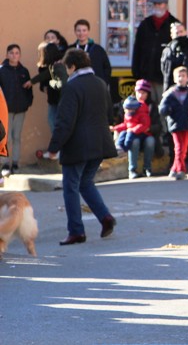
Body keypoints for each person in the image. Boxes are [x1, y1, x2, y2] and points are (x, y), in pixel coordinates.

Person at [43, 49, 117, 246]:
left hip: (78, 146)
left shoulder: (72, 87)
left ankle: (76, 231)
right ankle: (105, 217)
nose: (66, 72)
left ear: (73, 66)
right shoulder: (100, 83)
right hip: (100, 144)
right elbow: (110, 115)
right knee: (85, 183)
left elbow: (64, 122)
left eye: (67, 68)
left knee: (70, 188)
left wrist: (53, 148)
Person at [132, 0, 180, 107]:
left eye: (160, 4)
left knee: (163, 106)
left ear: (166, 5)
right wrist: (136, 71)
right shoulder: (145, 24)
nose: (157, 6)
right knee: (145, 108)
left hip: (164, 77)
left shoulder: (174, 24)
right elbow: (137, 49)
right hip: (146, 75)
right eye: (155, 4)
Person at [0, 44, 33, 176]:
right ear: (7, 54)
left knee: (16, 136)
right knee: (5, 138)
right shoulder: (2, 70)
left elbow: (29, 89)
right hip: (5, 110)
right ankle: (5, 164)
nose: (14, 55)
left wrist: (27, 102)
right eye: (11, 53)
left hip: (20, 109)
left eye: (17, 53)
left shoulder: (23, 71)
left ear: (20, 55)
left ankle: (15, 163)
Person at [159, 66, 188, 180]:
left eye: (183, 76)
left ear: (187, 78)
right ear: (175, 79)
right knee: (179, 147)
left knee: (184, 148)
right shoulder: (170, 93)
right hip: (175, 123)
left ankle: (174, 169)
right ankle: (181, 170)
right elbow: (162, 108)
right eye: (179, 76)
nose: (181, 78)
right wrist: (168, 109)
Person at [29, 42, 68, 133]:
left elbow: (62, 84)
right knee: (53, 122)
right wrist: (32, 82)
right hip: (54, 99)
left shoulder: (59, 65)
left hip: (61, 100)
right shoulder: (53, 65)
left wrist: (51, 84)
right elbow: (44, 75)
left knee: (56, 124)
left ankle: (60, 146)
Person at [126, 79, 157, 178]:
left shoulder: (152, 106)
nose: (141, 95)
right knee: (134, 142)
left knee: (150, 141)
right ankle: (132, 169)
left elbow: (158, 125)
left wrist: (148, 129)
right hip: (133, 133)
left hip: (147, 133)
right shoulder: (129, 103)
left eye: (143, 93)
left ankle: (147, 168)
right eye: (139, 92)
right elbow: (125, 122)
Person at [161, 22, 188, 90]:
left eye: (181, 32)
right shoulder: (167, 51)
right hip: (174, 89)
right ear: (172, 35)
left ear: (186, 32)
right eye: (177, 33)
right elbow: (166, 73)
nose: (179, 35)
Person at [69, 19, 112, 85]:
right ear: (75, 32)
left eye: (84, 30)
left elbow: (107, 68)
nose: (81, 33)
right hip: (75, 85)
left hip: (94, 85)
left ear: (88, 31)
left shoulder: (98, 49)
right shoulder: (70, 49)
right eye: (78, 30)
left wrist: (103, 83)